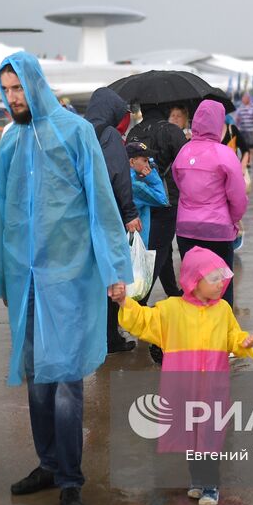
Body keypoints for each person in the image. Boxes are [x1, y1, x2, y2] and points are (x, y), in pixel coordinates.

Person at [0, 52, 132, 505]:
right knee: (36, 375)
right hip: (27, 280)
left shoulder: (76, 133)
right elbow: (5, 219)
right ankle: (48, 464)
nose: (13, 98)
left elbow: (100, 203)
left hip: (71, 278)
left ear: (36, 84)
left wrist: (114, 270)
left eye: (19, 88)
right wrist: (2, 276)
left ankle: (72, 478)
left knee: (68, 377)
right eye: (7, 90)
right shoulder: (11, 142)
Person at [108, 247, 253, 505]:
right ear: (193, 281)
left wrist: (242, 341)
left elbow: (231, 337)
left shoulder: (222, 310)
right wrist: (124, 302)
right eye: (213, 278)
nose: (221, 282)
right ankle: (198, 480)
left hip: (212, 388)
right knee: (191, 435)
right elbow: (144, 320)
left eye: (222, 277)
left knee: (208, 435)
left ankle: (211, 486)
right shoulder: (171, 310)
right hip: (183, 388)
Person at [172, 99, 248, 306]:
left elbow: (179, 183)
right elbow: (238, 195)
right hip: (217, 228)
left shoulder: (183, 151)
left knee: (192, 283)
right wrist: (233, 219)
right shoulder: (224, 154)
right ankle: (221, 330)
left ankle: (193, 329)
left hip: (186, 228)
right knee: (221, 283)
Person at [85, 87, 141, 354]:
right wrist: (129, 213)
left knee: (91, 280)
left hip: (81, 216)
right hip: (108, 215)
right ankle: (110, 339)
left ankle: (94, 336)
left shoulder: (79, 131)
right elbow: (119, 176)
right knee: (112, 277)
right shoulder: (109, 136)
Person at [127, 103, 191, 310]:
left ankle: (172, 291)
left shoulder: (134, 131)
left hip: (140, 200)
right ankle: (141, 301)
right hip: (166, 199)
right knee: (159, 250)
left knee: (158, 248)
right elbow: (184, 163)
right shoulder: (171, 131)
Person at [125, 141, 168, 243]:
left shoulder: (124, 177)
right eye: (144, 161)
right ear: (131, 162)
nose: (148, 165)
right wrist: (152, 178)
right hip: (137, 241)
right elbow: (162, 200)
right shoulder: (136, 185)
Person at [235, 93, 253, 170]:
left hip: (251, 130)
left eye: (245, 98)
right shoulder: (240, 108)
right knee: (245, 147)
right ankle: (247, 162)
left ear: (248, 98)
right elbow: (237, 119)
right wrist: (237, 127)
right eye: (243, 98)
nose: (243, 99)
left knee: (252, 147)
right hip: (243, 130)